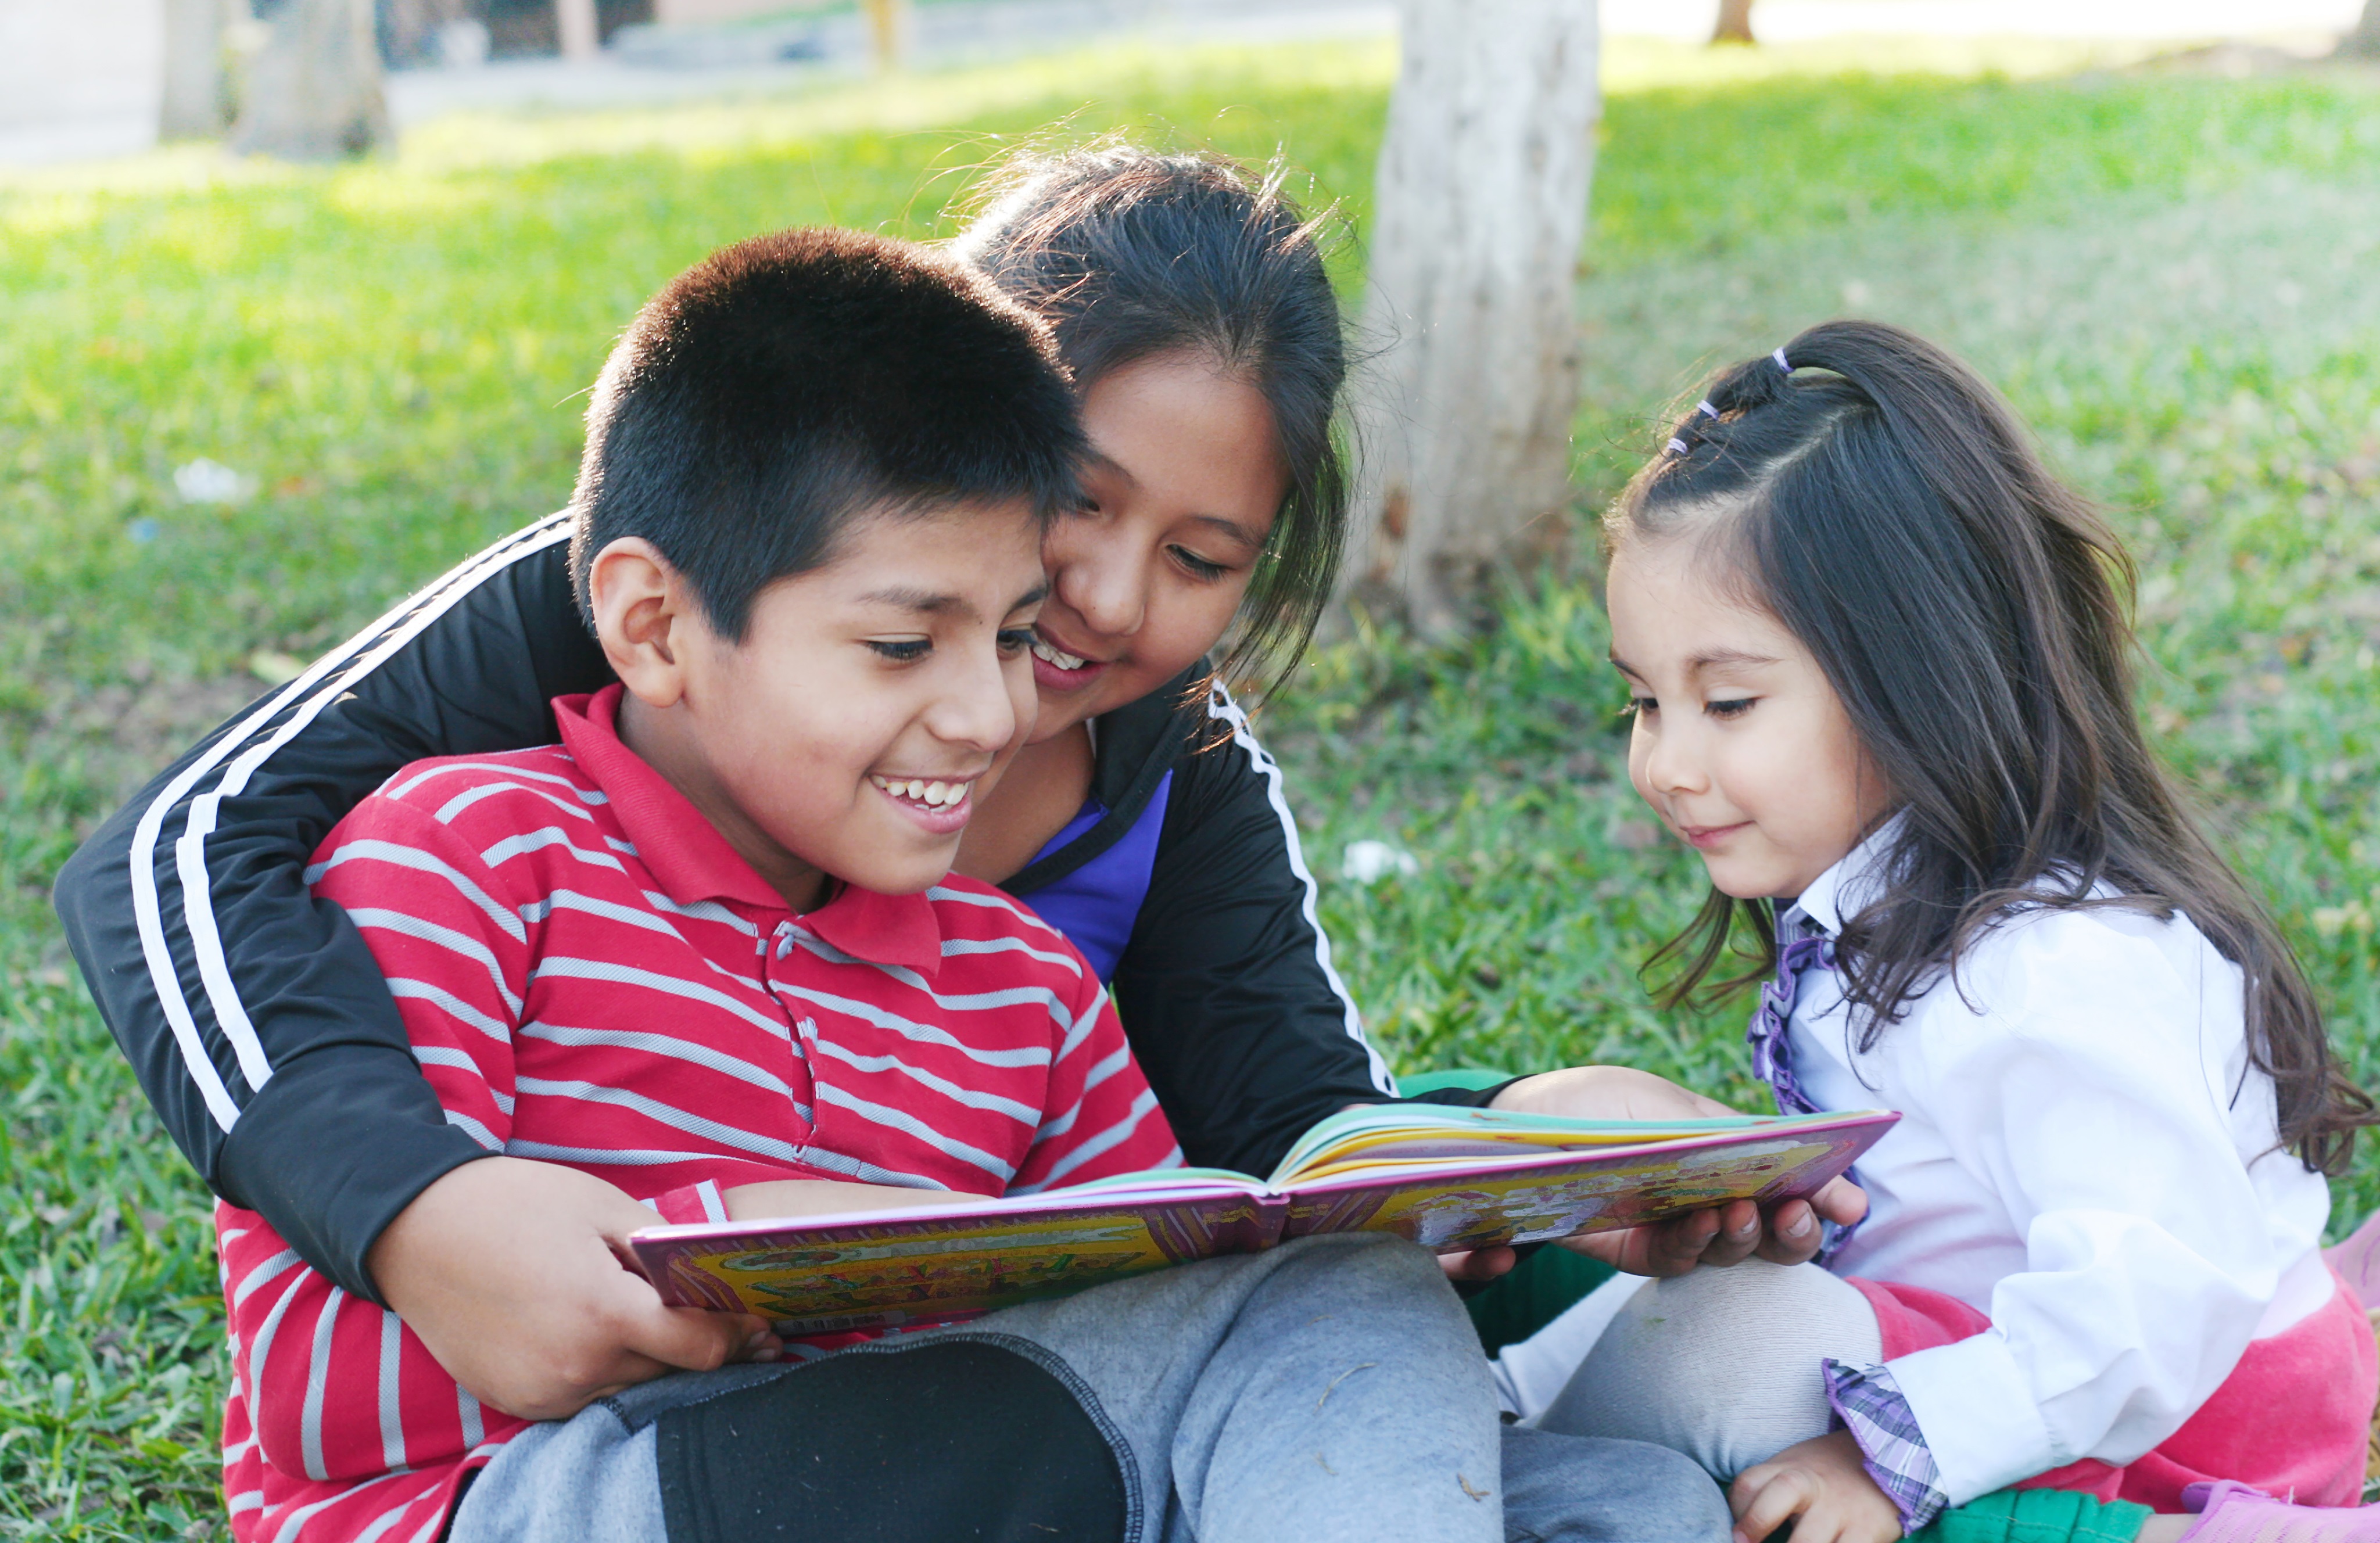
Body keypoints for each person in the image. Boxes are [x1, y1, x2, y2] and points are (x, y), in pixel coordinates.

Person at [54, 145, 1847, 1428]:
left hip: (1025, 1312)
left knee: (1513, 1241)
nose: (1111, 600)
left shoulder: (1182, 774)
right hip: (651, 1319)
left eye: (1206, 554)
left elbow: (1281, 1123)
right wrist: (411, 1205)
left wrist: (1554, 1189)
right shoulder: (646, 591)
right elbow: (174, 853)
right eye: (1078, 497)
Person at [1491, 321, 2380, 1543]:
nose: (1665, 762)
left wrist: (1888, 1455)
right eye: (1642, 700)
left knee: (1737, 1333)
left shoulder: (2056, 964)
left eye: (1727, 700)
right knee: (1670, 1242)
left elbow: (2143, 1308)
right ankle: (1504, 1420)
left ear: (1913, 672)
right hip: (1978, 1337)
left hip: (2180, 1416)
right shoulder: (1883, 907)